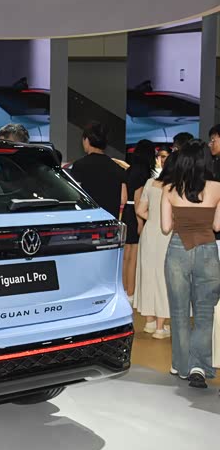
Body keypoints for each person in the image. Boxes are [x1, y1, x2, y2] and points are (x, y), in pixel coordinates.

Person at [160, 140, 220, 388]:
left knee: (179, 311)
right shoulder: (217, 188)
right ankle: (199, 366)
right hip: (208, 250)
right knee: (205, 311)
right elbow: (217, 226)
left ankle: (181, 365)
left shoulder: (169, 188)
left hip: (178, 249)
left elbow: (165, 227)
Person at [134, 151, 175, 339]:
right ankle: (160, 327)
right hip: (168, 234)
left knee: (148, 274)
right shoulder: (177, 187)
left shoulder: (150, 183)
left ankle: (149, 322)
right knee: (164, 276)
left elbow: (140, 210)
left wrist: (153, 218)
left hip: (149, 232)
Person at [69, 122, 128, 220]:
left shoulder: (80, 165)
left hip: (87, 219)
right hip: (109, 220)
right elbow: (123, 199)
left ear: (86, 140)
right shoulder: (116, 167)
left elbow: (74, 195)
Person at [123, 139, 157, 302]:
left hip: (126, 213)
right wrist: (141, 223)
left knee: (125, 256)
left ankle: (124, 290)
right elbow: (139, 199)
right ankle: (131, 292)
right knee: (134, 256)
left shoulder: (129, 170)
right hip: (135, 214)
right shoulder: (143, 172)